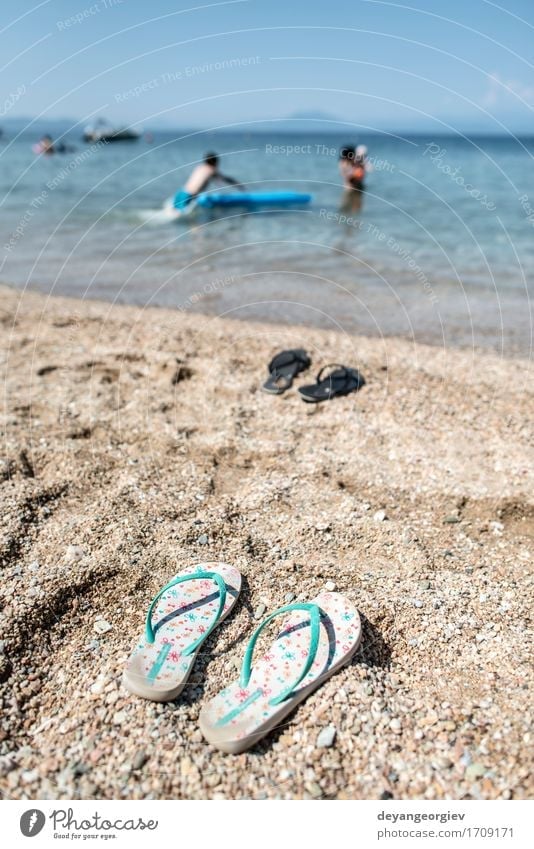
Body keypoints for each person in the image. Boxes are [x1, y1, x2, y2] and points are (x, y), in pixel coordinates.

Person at [172, 152, 243, 210]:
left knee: (174, 213)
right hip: (189, 196)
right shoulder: (211, 170)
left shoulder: (199, 167)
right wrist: (238, 184)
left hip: (181, 192)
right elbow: (225, 179)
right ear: (215, 162)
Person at [338, 144, 370, 212]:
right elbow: (348, 177)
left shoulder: (354, 162)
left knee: (357, 207)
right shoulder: (343, 163)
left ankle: (353, 219)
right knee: (346, 206)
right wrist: (356, 173)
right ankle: (347, 220)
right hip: (350, 187)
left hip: (358, 186)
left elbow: (366, 169)